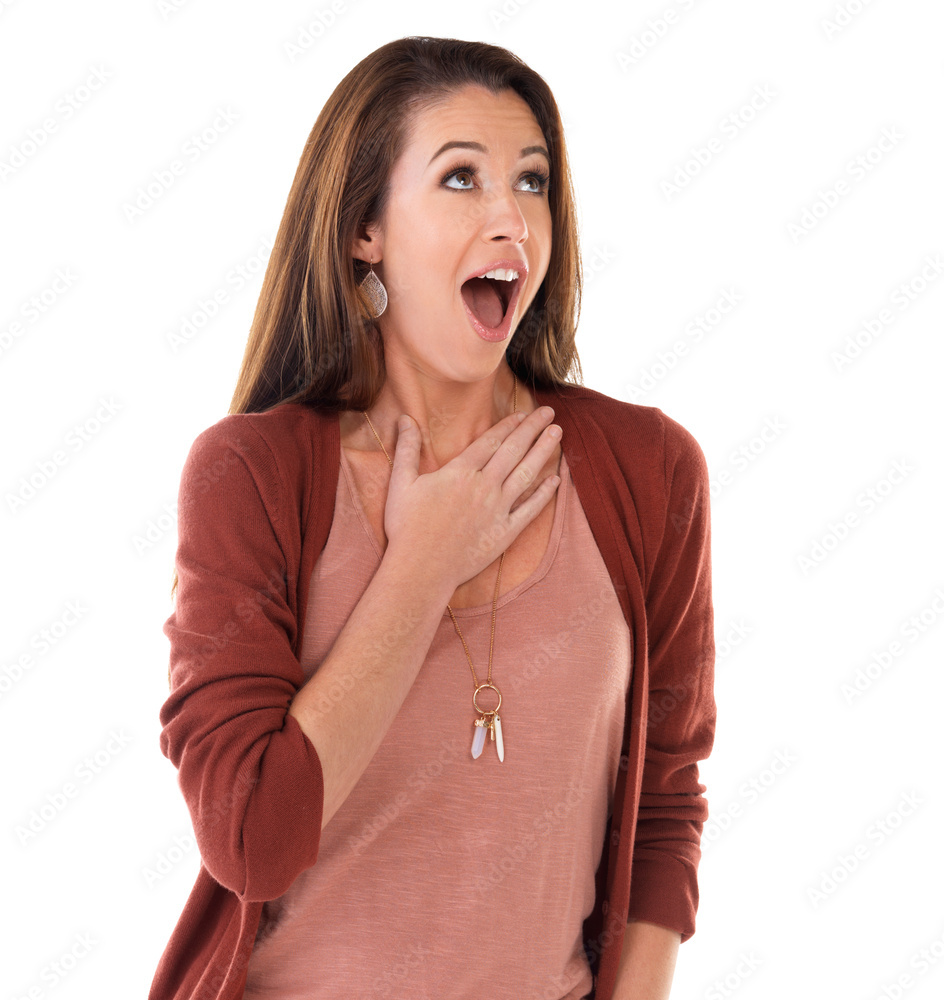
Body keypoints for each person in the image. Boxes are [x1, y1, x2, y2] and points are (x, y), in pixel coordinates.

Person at [148, 36, 716, 1000]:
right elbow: (252, 840)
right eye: (462, 178)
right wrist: (423, 565)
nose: (511, 220)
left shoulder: (647, 472)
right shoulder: (250, 475)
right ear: (366, 228)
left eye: (532, 183)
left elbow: (664, 801)